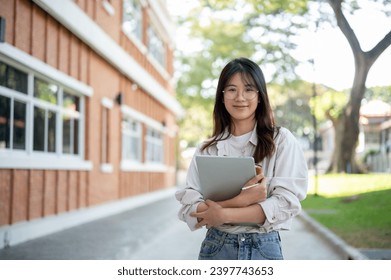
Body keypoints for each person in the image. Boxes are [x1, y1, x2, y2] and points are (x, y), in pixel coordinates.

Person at [175, 57, 308, 260]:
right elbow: (189, 206)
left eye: (248, 89)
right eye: (231, 89)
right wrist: (242, 200)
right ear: (222, 96)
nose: (240, 97)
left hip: (263, 248)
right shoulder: (206, 149)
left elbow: (285, 204)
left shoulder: (281, 141)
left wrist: (223, 214)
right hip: (216, 248)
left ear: (260, 96)